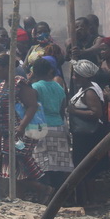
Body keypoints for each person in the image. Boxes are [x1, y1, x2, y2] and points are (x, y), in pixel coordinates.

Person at [0, 53, 52, 203]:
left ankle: (43, 189)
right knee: (14, 169)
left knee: (19, 162)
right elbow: (1, 113)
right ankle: (20, 198)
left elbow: (32, 106)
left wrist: (21, 127)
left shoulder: (20, 84)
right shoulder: (0, 86)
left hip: (22, 132)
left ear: (7, 68)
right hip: (6, 132)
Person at [67, 59, 106, 205]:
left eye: (77, 75)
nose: (74, 78)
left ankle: (88, 200)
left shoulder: (89, 92)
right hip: (83, 135)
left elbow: (96, 113)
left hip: (87, 136)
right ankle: (86, 199)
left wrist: (74, 111)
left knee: (85, 168)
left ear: (86, 77)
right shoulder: (86, 88)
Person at [29, 58, 72, 191]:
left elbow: (31, 108)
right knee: (58, 164)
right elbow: (63, 107)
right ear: (49, 71)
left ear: (34, 72)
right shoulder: (58, 86)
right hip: (59, 127)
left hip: (41, 129)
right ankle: (58, 195)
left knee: (42, 164)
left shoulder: (35, 87)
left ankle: (46, 193)